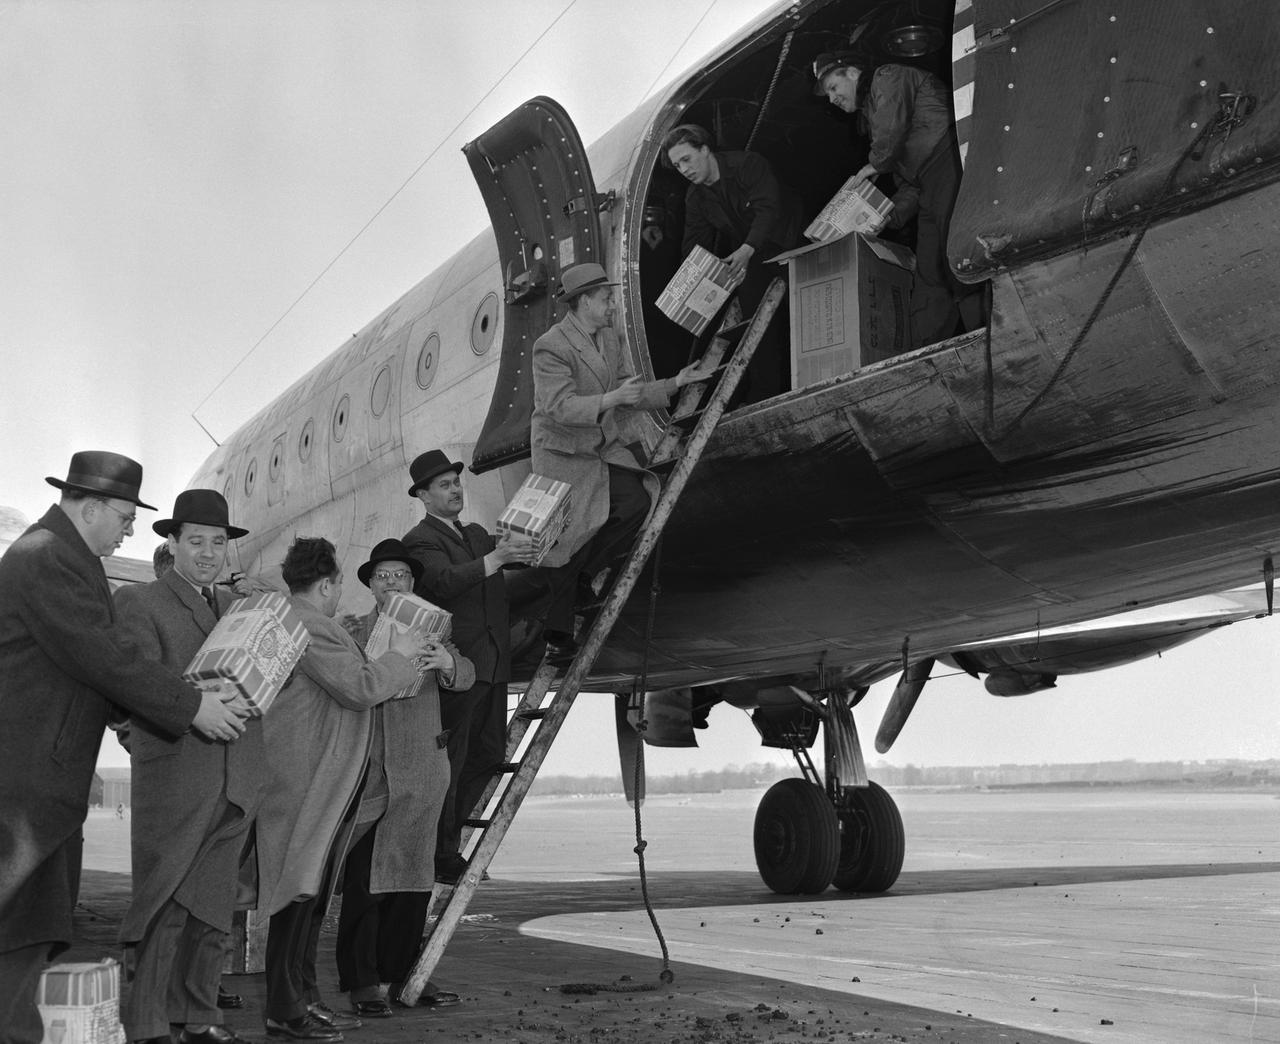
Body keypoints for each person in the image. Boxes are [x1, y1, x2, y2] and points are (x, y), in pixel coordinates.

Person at [0, 451, 248, 1044]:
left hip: (45, 776)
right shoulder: (46, 557)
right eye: (125, 516)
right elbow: (103, 655)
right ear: (90, 507)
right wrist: (193, 707)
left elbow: (93, 667)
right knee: (21, 927)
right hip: (29, 780)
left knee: (31, 928)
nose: (131, 529)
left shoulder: (63, 557)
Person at [253, 537, 434, 1042]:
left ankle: (301, 998)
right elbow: (359, 688)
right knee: (294, 893)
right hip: (308, 781)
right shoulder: (312, 625)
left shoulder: (290, 618)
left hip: (310, 778)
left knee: (305, 894)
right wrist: (399, 655)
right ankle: (284, 1010)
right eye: (338, 587)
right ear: (329, 584)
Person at [113, 490, 261, 1044]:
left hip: (240, 774)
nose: (207, 552)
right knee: (164, 902)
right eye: (195, 541)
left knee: (213, 909)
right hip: (176, 776)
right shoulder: (141, 603)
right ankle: (148, 1023)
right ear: (172, 543)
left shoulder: (239, 610)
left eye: (218, 542)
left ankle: (198, 1017)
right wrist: (155, 749)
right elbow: (126, 691)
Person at [526, 263, 711, 658]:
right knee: (567, 535)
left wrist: (675, 383)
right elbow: (558, 406)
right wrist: (610, 400)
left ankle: (585, 575)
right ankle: (557, 633)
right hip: (564, 452)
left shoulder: (608, 339)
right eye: (607, 298)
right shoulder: (551, 346)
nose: (613, 304)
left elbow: (631, 390)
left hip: (599, 446)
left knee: (637, 502)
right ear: (584, 302)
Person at [334, 538, 474, 1016]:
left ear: (412, 583)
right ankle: (362, 983)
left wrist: (448, 663)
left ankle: (405, 977)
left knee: (412, 882)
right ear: (371, 586)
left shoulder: (434, 628)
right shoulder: (353, 630)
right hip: (370, 770)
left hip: (419, 771)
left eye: (401, 576)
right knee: (365, 883)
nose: (393, 582)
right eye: (383, 576)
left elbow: (469, 673)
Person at [401, 450, 536, 885]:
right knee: (452, 763)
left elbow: (499, 569)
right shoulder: (419, 541)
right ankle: (441, 853)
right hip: (457, 668)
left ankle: (447, 838)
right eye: (443, 485)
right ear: (423, 496)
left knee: (490, 753)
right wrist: (496, 560)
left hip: (494, 663)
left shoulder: (477, 534)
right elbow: (442, 581)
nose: (455, 489)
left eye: (456, 482)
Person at [813, 51, 983, 346]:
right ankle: (923, 350)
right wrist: (887, 215)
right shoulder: (873, 120)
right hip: (928, 184)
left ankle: (989, 331)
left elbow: (890, 132)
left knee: (958, 255)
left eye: (833, 87)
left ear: (852, 73)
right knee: (930, 271)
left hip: (949, 160)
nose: (832, 99)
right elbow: (910, 186)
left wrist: (872, 166)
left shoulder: (886, 77)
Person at [662, 122, 803, 399]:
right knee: (755, 325)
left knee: (804, 311)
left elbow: (768, 209)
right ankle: (765, 395)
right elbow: (694, 245)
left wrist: (747, 248)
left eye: (686, 159)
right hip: (752, 256)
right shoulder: (696, 197)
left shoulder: (747, 164)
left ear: (705, 149)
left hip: (790, 240)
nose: (684, 170)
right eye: (677, 166)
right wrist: (693, 283)